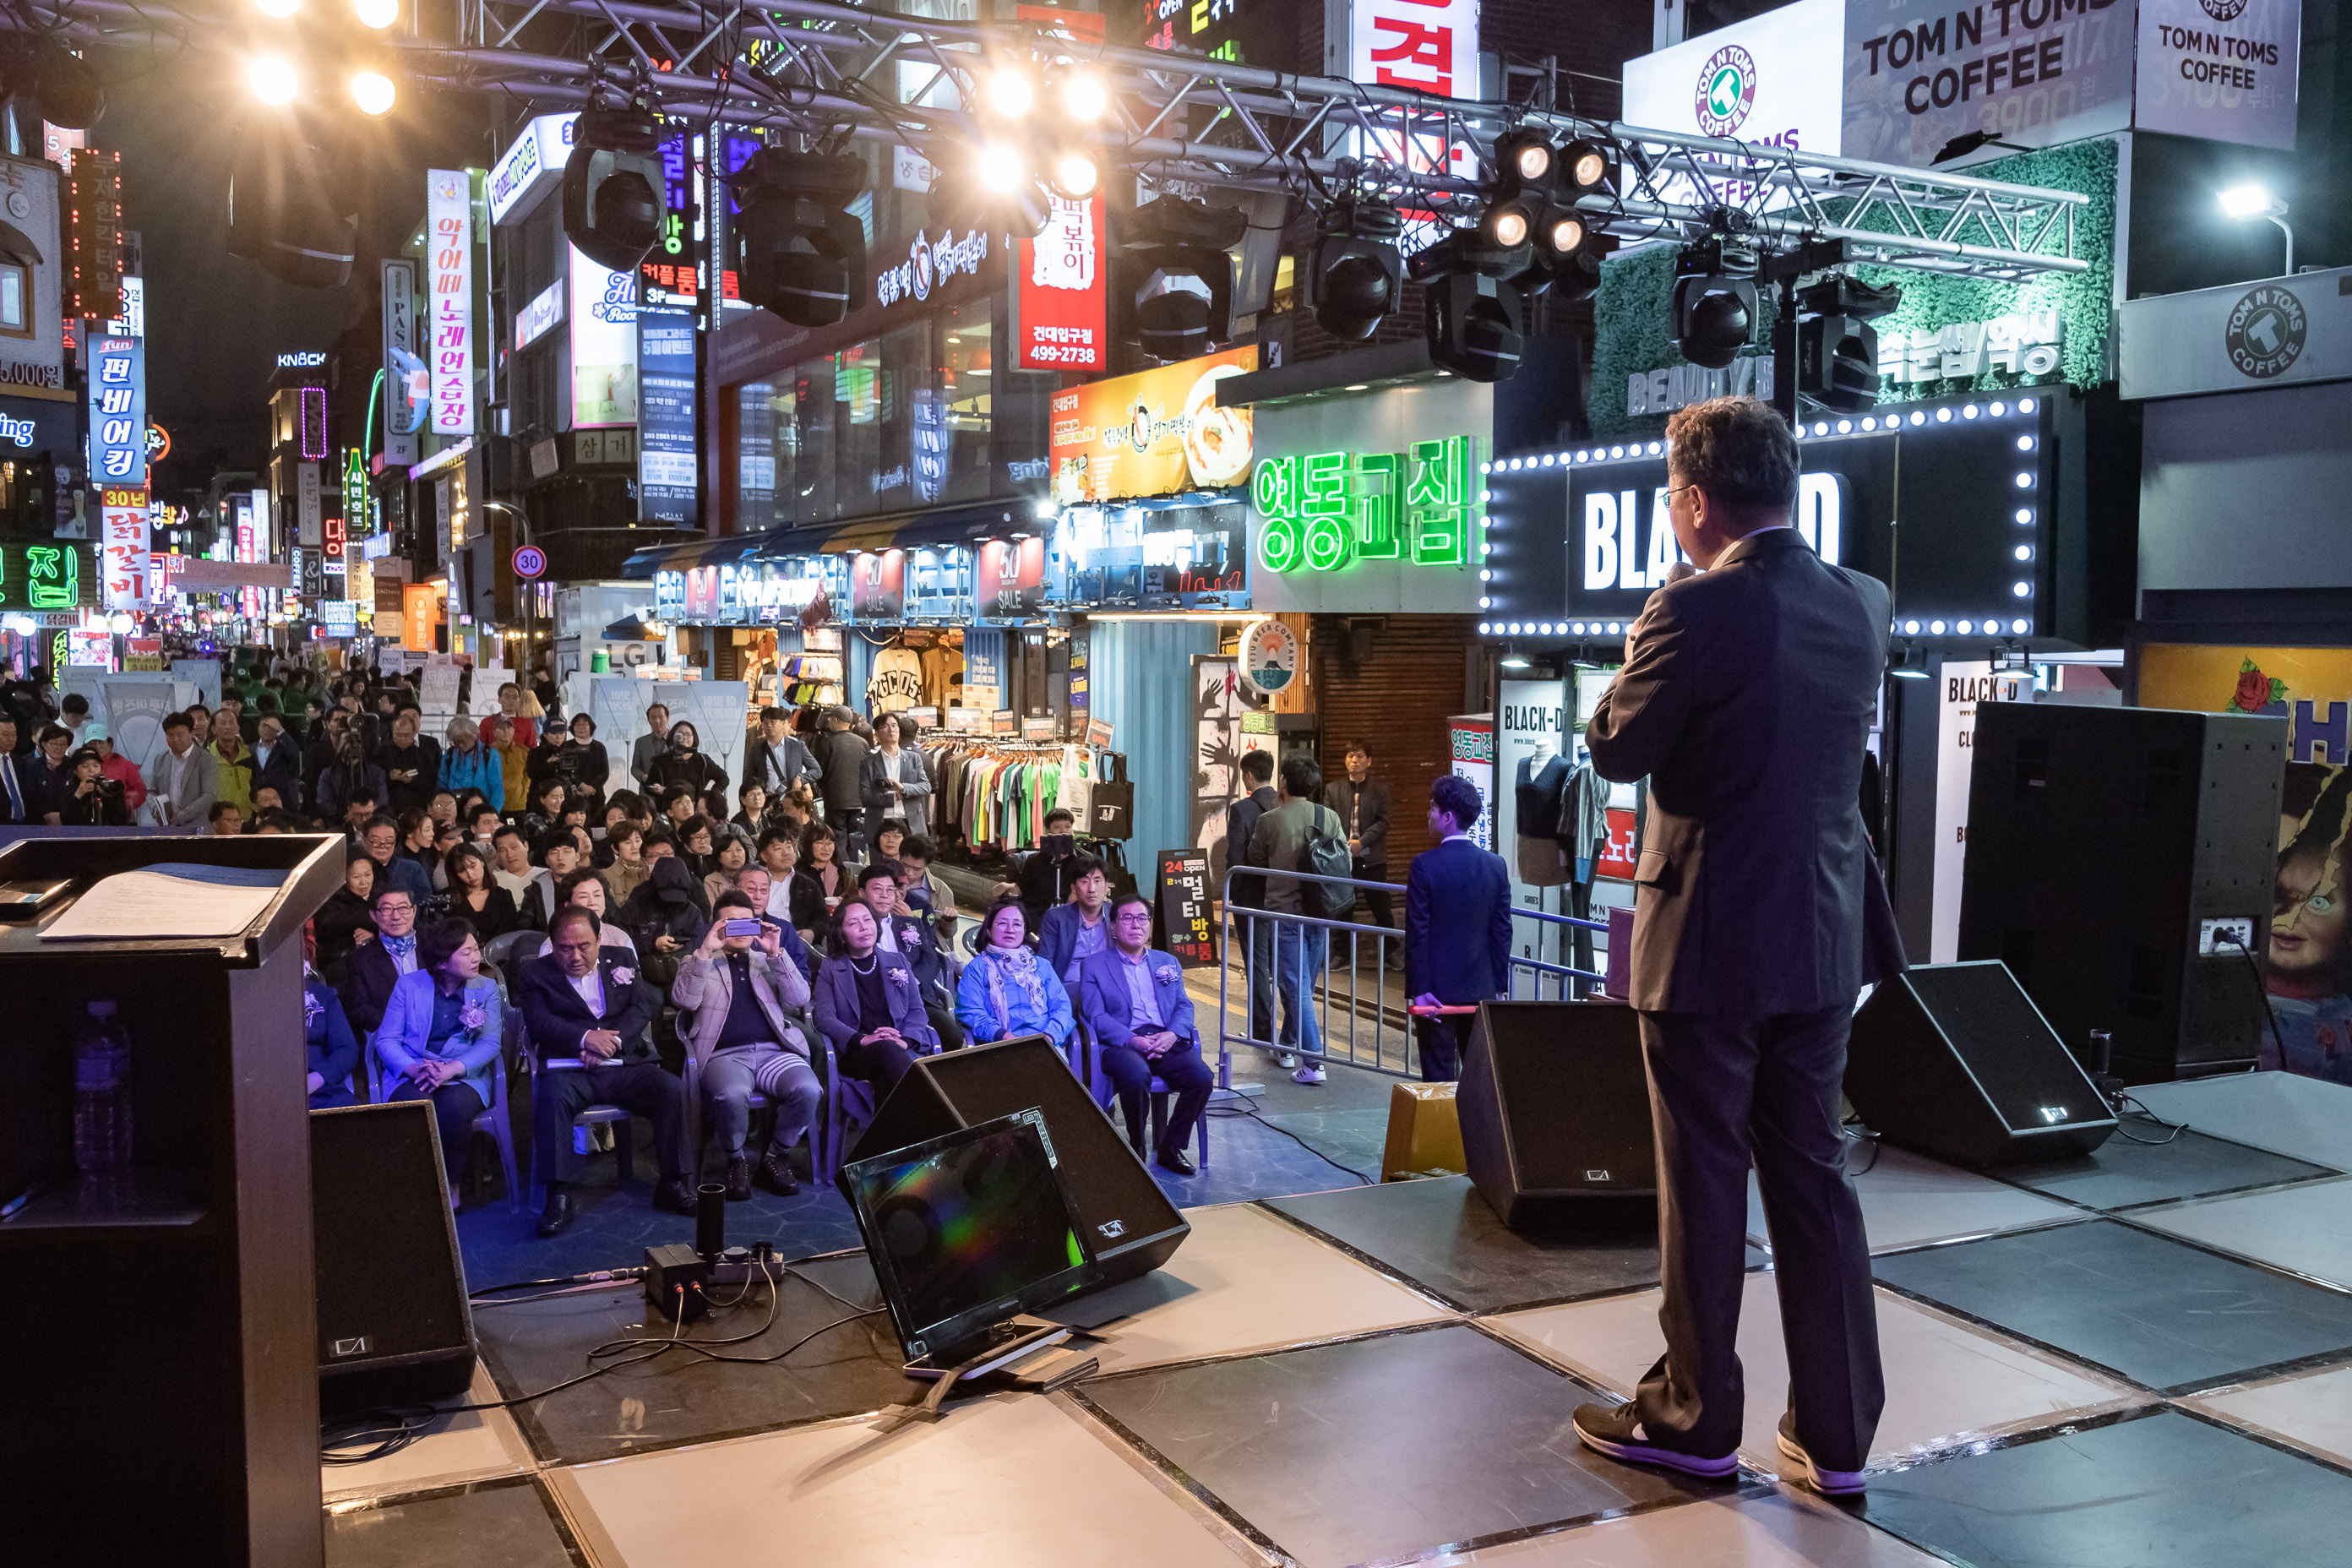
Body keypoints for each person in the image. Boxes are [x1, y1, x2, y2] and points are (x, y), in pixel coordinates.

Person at [1571, 396, 1906, 1498]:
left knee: (1705, 1177)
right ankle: (1838, 1434)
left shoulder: (1689, 609)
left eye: (1673, 495)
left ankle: (1693, 1416)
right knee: (1812, 1175)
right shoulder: (1863, 601)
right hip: (1821, 938)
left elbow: (1619, 749)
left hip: (1709, 942)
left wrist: (1640, 641)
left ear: (1697, 501)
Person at [517, 907, 694, 1236]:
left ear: (600, 939)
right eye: (564, 948)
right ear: (552, 945)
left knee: (670, 1089)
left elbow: (648, 1002)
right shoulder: (535, 973)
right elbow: (539, 1022)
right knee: (551, 1098)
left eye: (584, 946)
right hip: (570, 1069)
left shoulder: (622, 957)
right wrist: (584, 1039)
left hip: (623, 1063)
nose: (574, 956)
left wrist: (612, 1042)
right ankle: (559, 1195)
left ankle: (673, 1183)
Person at [672, 892, 824, 1200]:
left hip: (773, 1051)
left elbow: (799, 1001)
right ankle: (736, 1160)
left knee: (809, 1090)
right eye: (730, 923)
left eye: (746, 922)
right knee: (732, 1094)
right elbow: (684, 1001)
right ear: (717, 926)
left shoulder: (765, 961)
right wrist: (705, 950)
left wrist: (776, 954)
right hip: (723, 1056)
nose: (739, 930)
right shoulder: (697, 960)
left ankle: (774, 1157)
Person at [1075, 894, 1214, 1174]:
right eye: (1127, 918)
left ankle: (1170, 1148)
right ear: (1113, 927)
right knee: (1137, 1075)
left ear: (1149, 926)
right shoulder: (1094, 965)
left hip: (1164, 1039)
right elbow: (1095, 1015)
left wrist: (1173, 1034)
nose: (1136, 924)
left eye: (1142, 918)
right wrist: (1132, 1039)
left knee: (1202, 1078)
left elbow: (1184, 1005)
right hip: (1122, 1042)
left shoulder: (1167, 962)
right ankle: (1137, 1146)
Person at [374, 919, 505, 1206]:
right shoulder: (409, 985)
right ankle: (414, 1185)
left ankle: (451, 1185)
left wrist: (451, 1069)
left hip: (463, 1074)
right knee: (412, 1109)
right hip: (415, 1070)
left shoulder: (486, 988)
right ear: (443, 963)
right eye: (467, 952)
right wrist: (413, 1068)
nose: (477, 957)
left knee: (453, 1111)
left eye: (476, 949)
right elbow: (386, 1040)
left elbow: (490, 1043)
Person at [1403, 775, 1513, 1081]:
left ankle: (1443, 1131)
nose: (1429, 814)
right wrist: (1497, 987)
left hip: (1436, 994)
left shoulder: (1424, 865)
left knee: (1439, 1079)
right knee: (1480, 1080)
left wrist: (1419, 989)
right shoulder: (1496, 865)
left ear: (1448, 817)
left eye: (1433, 808)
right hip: (1480, 990)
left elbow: (1417, 933)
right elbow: (1502, 932)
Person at [1247, 755, 1342, 1085]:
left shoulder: (1271, 820)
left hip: (1285, 914)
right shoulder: (1328, 816)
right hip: (1322, 911)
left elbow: (1255, 857)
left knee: (1293, 986)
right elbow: (1342, 855)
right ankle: (1286, 1045)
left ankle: (1314, 1062)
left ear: (1284, 781)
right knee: (1303, 985)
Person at [812, 899, 939, 1098]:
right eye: (853, 924)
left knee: (885, 1079)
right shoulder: (831, 968)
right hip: (857, 1053)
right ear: (841, 935)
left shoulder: (897, 961)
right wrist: (863, 1039)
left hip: (899, 1046)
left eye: (868, 920)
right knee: (885, 1053)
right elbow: (824, 1018)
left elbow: (916, 1009)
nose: (864, 928)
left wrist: (904, 1040)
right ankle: (935, 1110)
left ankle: (891, 1129)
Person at [856, 860, 963, 1048]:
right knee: (888, 1045)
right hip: (873, 1002)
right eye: (877, 890)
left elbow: (930, 958)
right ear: (862, 893)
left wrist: (915, 981)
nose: (885, 896)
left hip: (916, 998)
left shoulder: (909, 923)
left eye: (890, 890)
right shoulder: (853, 926)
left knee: (952, 1036)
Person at [956, 898, 1075, 1050]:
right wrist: (1003, 1036)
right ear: (988, 930)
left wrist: (1049, 1037)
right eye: (1002, 923)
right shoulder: (978, 968)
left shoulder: (1041, 966)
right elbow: (970, 1011)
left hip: (1045, 1044)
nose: (1010, 930)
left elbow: (1062, 1008)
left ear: (1025, 930)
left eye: (1017, 924)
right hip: (998, 1045)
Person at [1222, 749, 1281, 1055]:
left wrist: (1235, 894)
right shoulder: (1284, 804)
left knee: (1257, 964)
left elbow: (1236, 856)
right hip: (1286, 900)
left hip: (1253, 899)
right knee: (1284, 964)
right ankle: (1292, 1033)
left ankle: (1262, 1029)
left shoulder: (1243, 809)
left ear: (1247, 775)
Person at [1326, 739, 1400, 971]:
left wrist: (1362, 842)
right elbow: (1329, 820)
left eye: (1358, 756)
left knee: (1381, 908)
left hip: (1372, 859)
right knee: (1343, 908)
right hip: (1342, 858)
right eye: (1349, 756)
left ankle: (1391, 952)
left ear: (1369, 761)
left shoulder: (1380, 790)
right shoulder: (1333, 789)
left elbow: (1384, 822)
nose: (1353, 761)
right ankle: (1342, 955)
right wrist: (1344, 844)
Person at [618, 853, 710, 987]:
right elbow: (622, 942)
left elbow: (700, 943)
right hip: (643, 973)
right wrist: (653, 944)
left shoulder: (691, 910)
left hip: (682, 971)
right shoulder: (635, 906)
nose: (671, 901)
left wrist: (682, 947)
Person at [531, 868, 640, 959]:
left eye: (597, 895)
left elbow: (634, 980)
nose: (592, 902)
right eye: (583, 897)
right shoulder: (553, 946)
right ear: (568, 904)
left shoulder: (619, 938)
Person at [732, 864, 816, 983]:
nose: (758, 896)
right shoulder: (721, 928)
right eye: (751, 889)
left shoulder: (782, 929)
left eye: (764, 890)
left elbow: (802, 979)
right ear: (734, 890)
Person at [1039, 854, 1114, 983]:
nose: (1092, 889)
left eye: (1097, 881)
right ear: (1074, 888)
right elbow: (1045, 963)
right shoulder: (1056, 918)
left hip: (1107, 986)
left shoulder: (1117, 915)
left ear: (1107, 887)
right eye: (1084, 882)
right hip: (1070, 988)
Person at [860, 711, 934, 840]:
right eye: (885, 726)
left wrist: (904, 788)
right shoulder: (868, 763)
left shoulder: (914, 759)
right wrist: (891, 798)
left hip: (910, 823)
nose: (891, 730)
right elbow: (865, 796)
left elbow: (926, 786)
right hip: (880, 823)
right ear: (876, 733)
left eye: (894, 725)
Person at [144, 711, 220, 829]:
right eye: (170, 735)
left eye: (180, 735)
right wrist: (156, 809)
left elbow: (209, 796)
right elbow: (151, 792)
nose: (175, 739)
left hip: (197, 828)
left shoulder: (206, 759)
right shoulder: (160, 759)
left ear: (191, 733)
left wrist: (180, 817)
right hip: (166, 827)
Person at [1016, 809, 1084, 930]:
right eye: (1057, 827)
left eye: (1068, 827)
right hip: (1038, 921)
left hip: (1074, 920)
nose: (1063, 832)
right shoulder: (1034, 861)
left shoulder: (1085, 860)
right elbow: (1022, 891)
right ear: (1048, 831)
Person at [305, 967, 361, 1108]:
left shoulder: (323, 996)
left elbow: (346, 1049)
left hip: (321, 1088)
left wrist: (319, 1076)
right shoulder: (255, 996)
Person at [314, 852, 378, 977]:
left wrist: (375, 935)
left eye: (368, 875)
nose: (363, 882)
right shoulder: (331, 903)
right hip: (341, 966)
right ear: (344, 878)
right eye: (356, 877)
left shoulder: (383, 896)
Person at [646, 720, 727, 816]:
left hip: (694, 812)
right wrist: (657, 789)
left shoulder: (702, 760)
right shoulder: (661, 761)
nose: (684, 737)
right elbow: (648, 786)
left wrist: (711, 796)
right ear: (673, 737)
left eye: (688, 734)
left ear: (694, 738)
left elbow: (723, 778)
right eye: (680, 734)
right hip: (667, 812)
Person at [817, 706, 869, 853]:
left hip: (835, 800)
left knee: (837, 837)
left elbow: (819, 771)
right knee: (855, 838)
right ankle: (855, 868)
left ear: (834, 720)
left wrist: (824, 788)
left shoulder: (827, 743)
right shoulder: (862, 743)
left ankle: (842, 870)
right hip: (858, 800)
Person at [745, 705, 822, 801]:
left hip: (792, 800)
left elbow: (817, 771)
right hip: (767, 802)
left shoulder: (797, 746)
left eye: (773, 722)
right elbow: (749, 778)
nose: (769, 725)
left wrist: (800, 778)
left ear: (783, 724)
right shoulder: (757, 750)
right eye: (765, 723)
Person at [444, 842, 520, 939]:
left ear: (482, 862)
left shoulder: (503, 896)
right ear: (455, 874)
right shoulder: (446, 899)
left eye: (472, 866)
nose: (470, 875)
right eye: (461, 871)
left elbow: (509, 936)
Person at [361, 814, 434, 908]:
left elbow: (424, 900)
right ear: (363, 841)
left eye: (388, 841)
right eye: (376, 841)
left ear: (395, 842)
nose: (382, 846)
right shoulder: (356, 870)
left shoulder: (413, 869)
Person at [377, 710, 439, 816]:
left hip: (416, 808)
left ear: (414, 733)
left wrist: (412, 780)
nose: (401, 739)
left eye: (406, 735)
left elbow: (431, 784)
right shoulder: (382, 752)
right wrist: (389, 777)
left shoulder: (424, 755)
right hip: (388, 807)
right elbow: (373, 779)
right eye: (398, 735)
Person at [317, 737, 388, 828]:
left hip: (372, 823)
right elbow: (324, 802)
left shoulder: (377, 773)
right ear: (338, 747)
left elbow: (382, 800)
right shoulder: (328, 774)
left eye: (356, 743)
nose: (352, 747)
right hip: (339, 823)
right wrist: (348, 814)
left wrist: (367, 813)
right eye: (347, 742)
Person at [441, 716, 506, 814]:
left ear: (473, 735)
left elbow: (498, 790)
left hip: (481, 809)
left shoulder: (489, 754)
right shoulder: (450, 754)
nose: (460, 745)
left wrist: (492, 814)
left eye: (462, 741)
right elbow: (441, 784)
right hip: (455, 810)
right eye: (455, 742)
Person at [800, 820, 849, 919]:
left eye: (829, 843)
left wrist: (843, 900)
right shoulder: (799, 872)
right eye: (820, 843)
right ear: (810, 845)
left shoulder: (842, 871)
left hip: (838, 920)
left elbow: (851, 896)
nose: (826, 848)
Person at [251, 715, 302, 808]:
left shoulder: (285, 747)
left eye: (271, 727)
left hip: (284, 799)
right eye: (263, 726)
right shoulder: (251, 748)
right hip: (260, 800)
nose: (266, 730)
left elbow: (294, 752)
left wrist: (282, 732)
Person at [559, 712, 610, 796]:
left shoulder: (599, 747)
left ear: (591, 727)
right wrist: (580, 785)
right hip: (572, 793)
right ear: (572, 728)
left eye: (584, 725)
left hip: (595, 793)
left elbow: (604, 773)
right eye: (577, 725)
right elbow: (564, 771)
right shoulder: (566, 746)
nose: (581, 728)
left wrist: (591, 787)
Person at [605, 820, 652, 905]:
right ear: (615, 848)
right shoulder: (608, 876)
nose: (634, 847)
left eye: (637, 841)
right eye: (628, 842)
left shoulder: (653, 869)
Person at [702, 831, 750, 911]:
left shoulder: (754, 876)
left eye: (739, 850)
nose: (735, 855)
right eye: (728, 851)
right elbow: (713, 913)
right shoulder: (711, 880)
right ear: (719, 857)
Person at [629, 702, 671, 789]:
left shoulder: (676, 741)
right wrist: (643, 777)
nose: (657, 721)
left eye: (660, 717)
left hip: (670, 791)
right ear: (648, 720)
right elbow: (634, 768)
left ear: (667, 718)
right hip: (648, 791)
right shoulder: (641, 742)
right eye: (653, 718)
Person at [0, 717, 29, 825]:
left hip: (23, 823)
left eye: (14, 734)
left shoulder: (20, 761)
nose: (11, 739)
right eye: (6, 735)